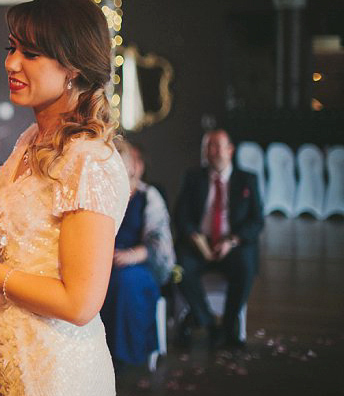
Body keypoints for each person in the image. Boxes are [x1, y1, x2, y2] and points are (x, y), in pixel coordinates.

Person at [0, 0, 130, 396]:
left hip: (58, 370)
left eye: (31, 53)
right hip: (10, 357)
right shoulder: (28, 143)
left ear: (73, 67)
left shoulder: (88, 160)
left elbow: (79, 303)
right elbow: (29, 257)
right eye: (11, 48)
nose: (11, 63)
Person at [174, 129, 263, 349]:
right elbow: (181, 214)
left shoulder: (247, 179)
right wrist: (195, 237)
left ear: (230, 150)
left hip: (231, 244)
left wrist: (231, 241)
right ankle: (207, 322)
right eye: (208, 146)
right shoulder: (194, 177)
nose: (211, 151)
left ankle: (229, 324)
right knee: (179, 269)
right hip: (200, 244)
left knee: (246, 267)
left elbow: (256, 220)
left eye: (216, 145)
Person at [100, 140, 175, 367]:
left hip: (138, 263)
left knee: (125, 281)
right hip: (103, 260)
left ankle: (122, 355)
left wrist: (132, 255)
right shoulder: (103, 193)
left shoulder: (148, 195)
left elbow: (159, 241)